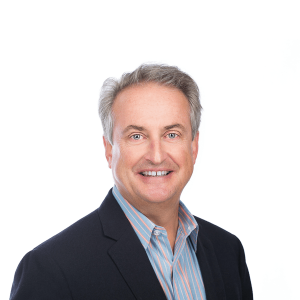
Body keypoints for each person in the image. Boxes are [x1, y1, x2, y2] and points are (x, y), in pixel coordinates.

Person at [10, 64, 253, 300]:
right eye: (137, 136)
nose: (156, 156)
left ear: (194, 147)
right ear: (109, 150)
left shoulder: (228, 252)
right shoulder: (51, 269)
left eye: (172, 135)